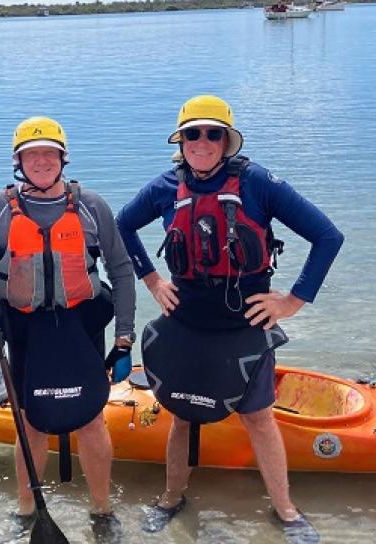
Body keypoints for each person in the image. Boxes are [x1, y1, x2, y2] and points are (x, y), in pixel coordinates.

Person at [115, 95, 343, 543]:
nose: (202, 142)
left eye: (212, 133)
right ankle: (170, 497)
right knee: (181, 415)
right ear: (180, 142)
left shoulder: (258, 184)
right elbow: (122, 226)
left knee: (258, 417)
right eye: (192, 134)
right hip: (186, 319)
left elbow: (328, 236)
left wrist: (292, 302)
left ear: (227, 141)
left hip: (244, 322)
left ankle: (287, 511)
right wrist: (152, 281)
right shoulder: (165, 186)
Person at [0, 116, 136, 542]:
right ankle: (26, 508)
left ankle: (102, 511)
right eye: (32, 154)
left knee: (91, 419)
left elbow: (121, 272)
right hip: (25, 330)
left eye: (49, 153)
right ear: (18, 160)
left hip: (80, 325)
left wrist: (124, 338)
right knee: (29, 421)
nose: (41, 161)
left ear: (63, 157)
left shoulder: (92, 206)